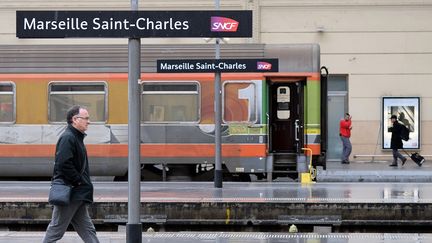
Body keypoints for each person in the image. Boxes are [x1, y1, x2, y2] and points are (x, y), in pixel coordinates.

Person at [43, 105, 100, 243]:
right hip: (71, 191)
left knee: (88, 230)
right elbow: (63, 164)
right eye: (86, 118)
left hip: (77, 192)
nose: (88, 121)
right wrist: (79, 181)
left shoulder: (75, 137)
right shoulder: (68, 138)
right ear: (75, 119)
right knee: (56, 230)